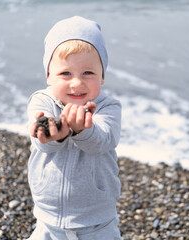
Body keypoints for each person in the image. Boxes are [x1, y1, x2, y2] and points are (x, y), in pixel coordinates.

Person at [26, 16, 122, 240]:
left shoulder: (108, 107)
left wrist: (82, 131)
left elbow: (104, 140)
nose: (77, 83)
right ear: (49, 76)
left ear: (102, 76)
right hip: (48, 218)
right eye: (65, 73)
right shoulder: (41, 101)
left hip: (97, 220)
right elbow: (41, 143)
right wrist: (52, 135)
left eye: (88, 73)